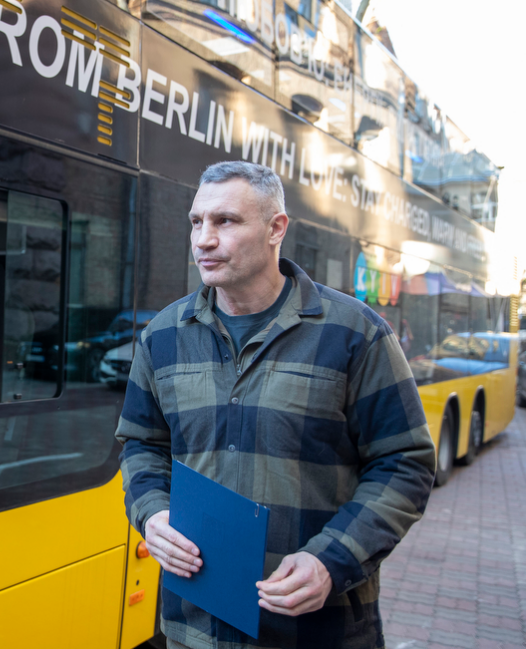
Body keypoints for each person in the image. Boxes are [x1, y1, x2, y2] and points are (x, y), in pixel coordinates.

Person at [116, 161, 435, 649]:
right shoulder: (162, 336)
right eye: (196, 222)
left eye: (225, 221)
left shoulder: (355, 333)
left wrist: (332, 560)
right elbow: (142, 445)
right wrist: (153, 514)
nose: (203, 239)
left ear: (275, 228)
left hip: (318, 631)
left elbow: (405, 464)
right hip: (194, 629)